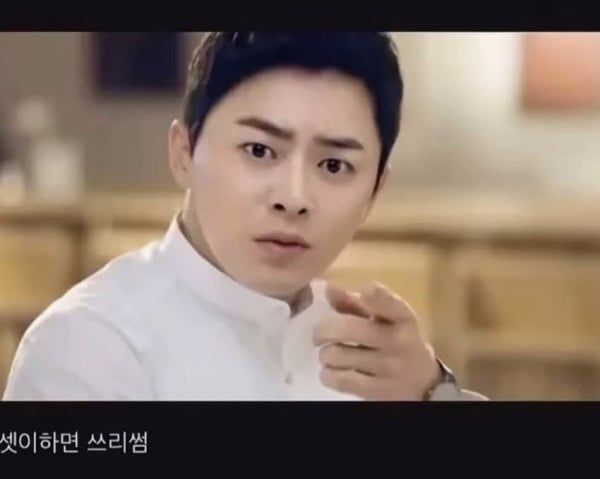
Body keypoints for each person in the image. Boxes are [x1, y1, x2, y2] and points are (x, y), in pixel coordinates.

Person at [3, 32, 486, 401]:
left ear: (375, 191)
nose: (294, 198)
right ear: (183, 152)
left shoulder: (371, 357)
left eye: (334, 165)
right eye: (259, 150)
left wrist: (433, 391)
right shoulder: (88, 346)